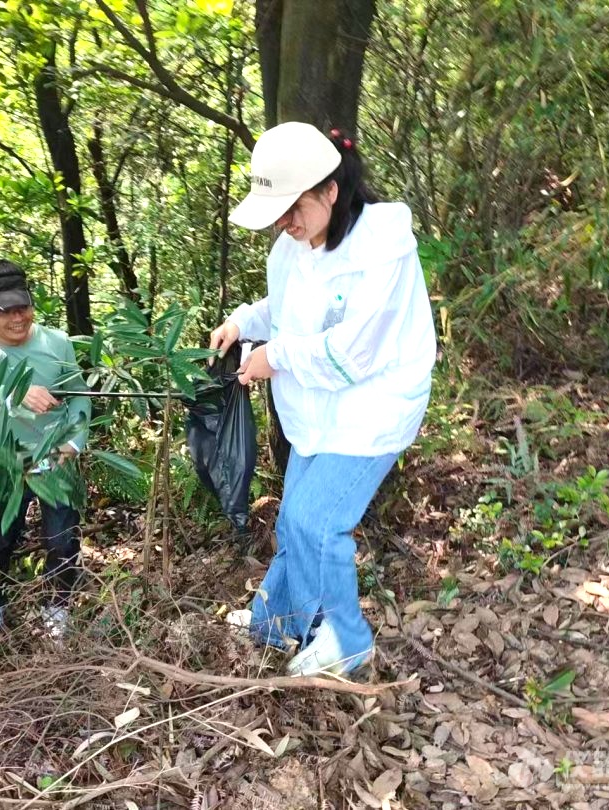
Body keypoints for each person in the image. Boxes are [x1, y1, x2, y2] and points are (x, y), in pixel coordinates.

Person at [210, 122, 436, 677]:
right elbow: (286, 306)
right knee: (293, 522)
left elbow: (353, 352)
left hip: (372, 408)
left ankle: (347, 640)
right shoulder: (292, 248)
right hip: (315, 408)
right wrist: (244, 322)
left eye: (294, 208)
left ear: (331, 191)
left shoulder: (382, 249)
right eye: (278, 212)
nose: (286, 223)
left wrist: (275, 358)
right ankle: (278, 622)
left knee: (318, 521)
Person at [0, 259, 92, 636]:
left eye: (23, 308)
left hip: (56, 458)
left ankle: (57, 612)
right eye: (5, 312)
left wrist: (73, 442)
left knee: (63, 543)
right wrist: (16, 392)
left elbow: (79, 396)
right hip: (5, 462)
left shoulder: (56, 341)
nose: (18, 319)